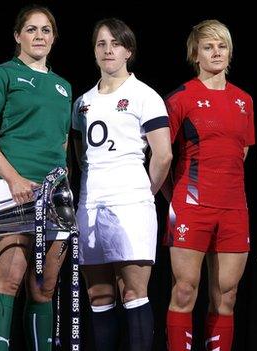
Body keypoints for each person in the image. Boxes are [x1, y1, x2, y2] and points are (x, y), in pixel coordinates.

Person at [0, 5, 72, 351]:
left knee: (45, 287)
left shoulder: (63, 86)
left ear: (54, 38)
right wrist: (13, 179)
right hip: (13, 186)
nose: (39, 36)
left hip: (55, 195)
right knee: (10, 278)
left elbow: (62, 143)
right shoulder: (2, 75)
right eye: (31, 29)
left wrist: (62, 190)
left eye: (45, 30)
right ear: (17, 36)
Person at [72, 18, 171, 351]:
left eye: (115, 43)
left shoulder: (145, 96)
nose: (108, 49)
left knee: (133, 292)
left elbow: (163, 156)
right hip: (89, 204)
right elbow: (77, 155)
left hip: (131, 204)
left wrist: (144, 194)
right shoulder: (82, 102)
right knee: (98, 294)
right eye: (101, 44)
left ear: (128, 50)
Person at [162, 19, 255, 351]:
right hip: (190, 206)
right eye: (208, 46)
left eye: (222, 46)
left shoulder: (244, 101)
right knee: (185, 290)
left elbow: (239, 153)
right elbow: (161, 157)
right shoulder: (179, 98)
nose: (216, 52)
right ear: (195, 53)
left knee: (227, 296)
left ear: (229, 53)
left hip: (234, 209)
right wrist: (178, 199)